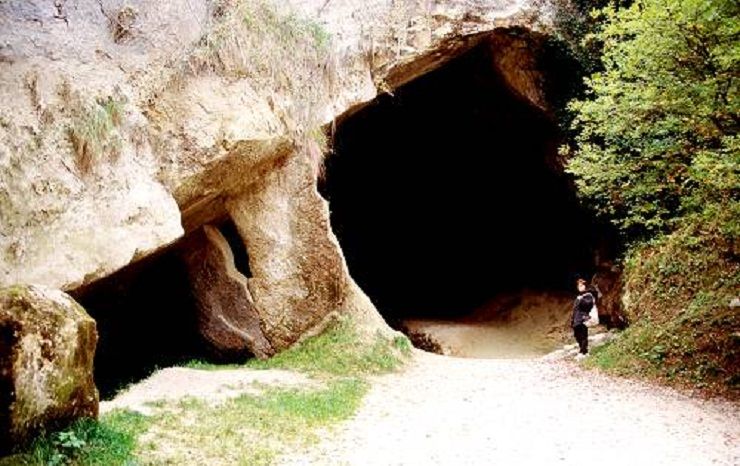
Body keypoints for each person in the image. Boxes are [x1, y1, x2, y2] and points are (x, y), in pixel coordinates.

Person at [572, 277, 595, 359]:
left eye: (582, 285)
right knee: (577, 335)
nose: (580, 287)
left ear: (585, 286)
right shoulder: (579, 296)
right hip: (577, 319)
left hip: (583, 318)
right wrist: (572, 320)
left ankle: (583, 352)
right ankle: (583, 351)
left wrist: (581, 299)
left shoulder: (588, 295)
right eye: (579, 286)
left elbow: (588, 304)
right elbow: (575, 309)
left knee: (583, 335)